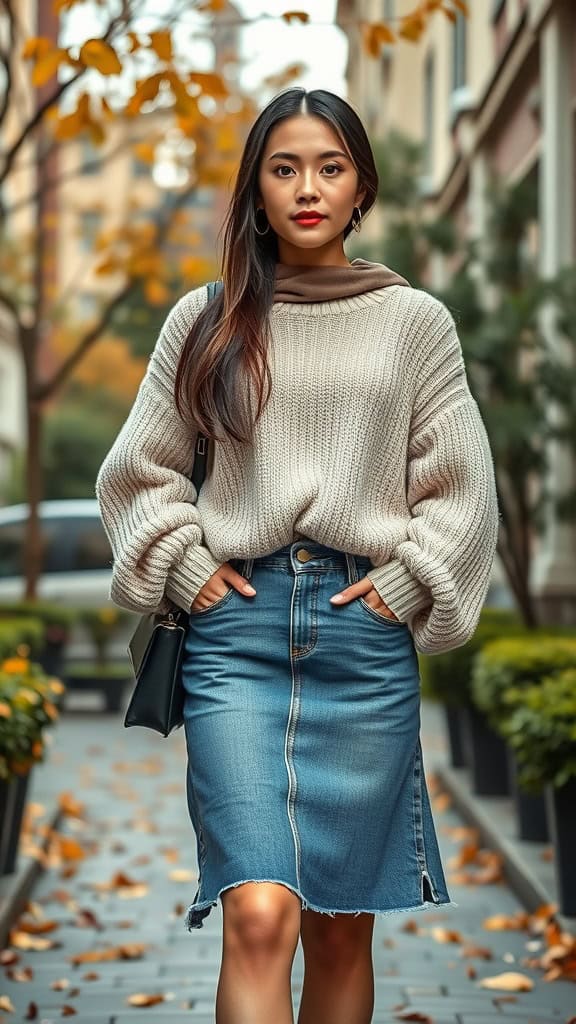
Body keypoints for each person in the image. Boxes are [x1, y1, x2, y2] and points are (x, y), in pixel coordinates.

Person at [96, 87, 499, 1024]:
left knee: (341, 925)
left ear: (361, 185)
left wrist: (405, 584)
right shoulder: (206, 318)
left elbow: (462, 488)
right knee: (261, 915)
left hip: (364, 644)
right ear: (256, 188)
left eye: (330, 167)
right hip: (233, 640)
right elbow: (137, 474)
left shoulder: (415, 323)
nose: (307, 188)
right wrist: (188, 571)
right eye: (284, 168)